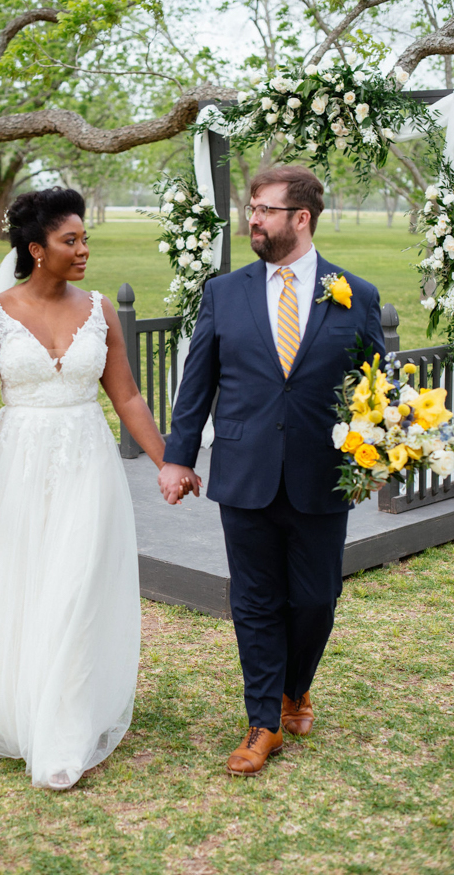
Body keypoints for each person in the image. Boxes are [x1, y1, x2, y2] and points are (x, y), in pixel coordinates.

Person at [0, 187, 171, 790]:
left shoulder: (98, 309)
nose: (83, 250)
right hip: (15, 464)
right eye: (70, 241)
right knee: (23, 584)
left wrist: (165, 461)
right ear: (35, 249)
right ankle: (12, 708)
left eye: (84, 239)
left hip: (85, 466)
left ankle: (61, 734)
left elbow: (125, 395)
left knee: (74, 588)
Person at [158, 165, 385, 776]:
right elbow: (198, 382)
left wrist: (384, 447)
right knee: (255, 602)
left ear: (301, 218)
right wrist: (179, 456)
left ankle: (295, 686)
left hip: (323, 475)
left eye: (264, 209)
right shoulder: (223, 293)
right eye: (251, 208)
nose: (252, 219)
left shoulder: (356, 295)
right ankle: (263, 722)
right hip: (245, 470)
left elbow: (375, 388)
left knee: (316, 599)